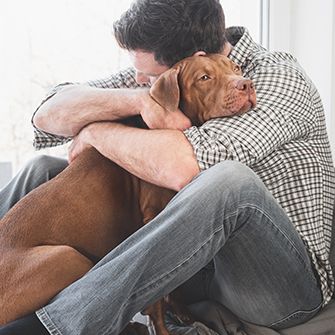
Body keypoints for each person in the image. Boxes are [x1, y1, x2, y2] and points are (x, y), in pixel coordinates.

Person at [0, 0, 334, 334]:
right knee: (44, 167)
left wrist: (95, 131)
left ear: (192, 61)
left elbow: (183, 168)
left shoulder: (277, 75)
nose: (138, 79)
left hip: (276, 286)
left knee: (229, 181)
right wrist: (138, 98)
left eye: (149, 77)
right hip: (196, 265)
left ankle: (57, 327)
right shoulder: (160, 76)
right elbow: (48, 115)